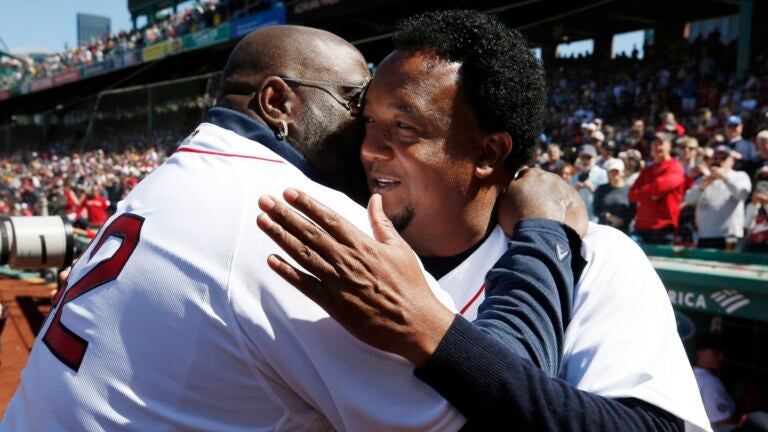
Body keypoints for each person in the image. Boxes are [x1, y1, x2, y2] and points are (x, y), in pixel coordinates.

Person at [3, 26, 472, 431]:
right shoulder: (294, 212)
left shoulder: (174, 173)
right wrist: (542, 232)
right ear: (277, 102)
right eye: (354, 102)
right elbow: (466, 410)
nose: (368, 129)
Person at [260, 10, 709, 432]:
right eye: (370, 122)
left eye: (404, 128)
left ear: (488, 153)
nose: (370, 149)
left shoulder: (595, 256)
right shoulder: (333, 251)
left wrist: (436, 334)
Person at [682, 145, 751, 249]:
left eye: (723, 158)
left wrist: (724, 178)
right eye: (715, 158)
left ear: (731, 161)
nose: (719, 161)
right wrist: (702, 186)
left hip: (730, 236)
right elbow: (688, 200)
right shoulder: (702, 179)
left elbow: (742, 195)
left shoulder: (740, 176)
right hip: (705, 236)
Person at [629, 132, 686, 244]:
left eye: (661, 143)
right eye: (654, 143)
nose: (657, 147)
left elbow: (659, 188)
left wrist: (643, 192)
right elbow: (632, 194)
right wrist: (652, 193)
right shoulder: (647, 170)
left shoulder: (675, 167)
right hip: (642, 226)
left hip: (664, 227)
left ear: (669, 146)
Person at [693, 334, 736, 428]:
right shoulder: (710, 383)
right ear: (701, 353)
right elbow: (723, 422)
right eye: (716, 353)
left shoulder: (689, 374)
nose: (721, 357)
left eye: (722, 353)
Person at [594, 158, 635, 232]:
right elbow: (596, 209)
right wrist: (609, 217)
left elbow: (633, 211)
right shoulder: (601, 189)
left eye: (617, 171)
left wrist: (621, 220)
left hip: (624, 231)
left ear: (622, 172)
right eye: (612, 171)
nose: (615, 174)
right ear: (608, 173)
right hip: (603, 230)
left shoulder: (629, 190)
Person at [573, 144, 608, 222]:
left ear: (595, 158)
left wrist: (592, 189)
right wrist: (575, 189)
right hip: (578, 219)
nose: (585, 160)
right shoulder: (574, 177)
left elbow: (607, 197)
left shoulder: (602, 174)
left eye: (588, 157)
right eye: (583, 157)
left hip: (596, 219)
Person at [744, 166, 768, 253]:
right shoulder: (751, 204)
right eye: (761, 178)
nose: (764, 182)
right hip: (752, 247)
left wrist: (766, 204)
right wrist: (754, 205)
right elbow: (747, 226)